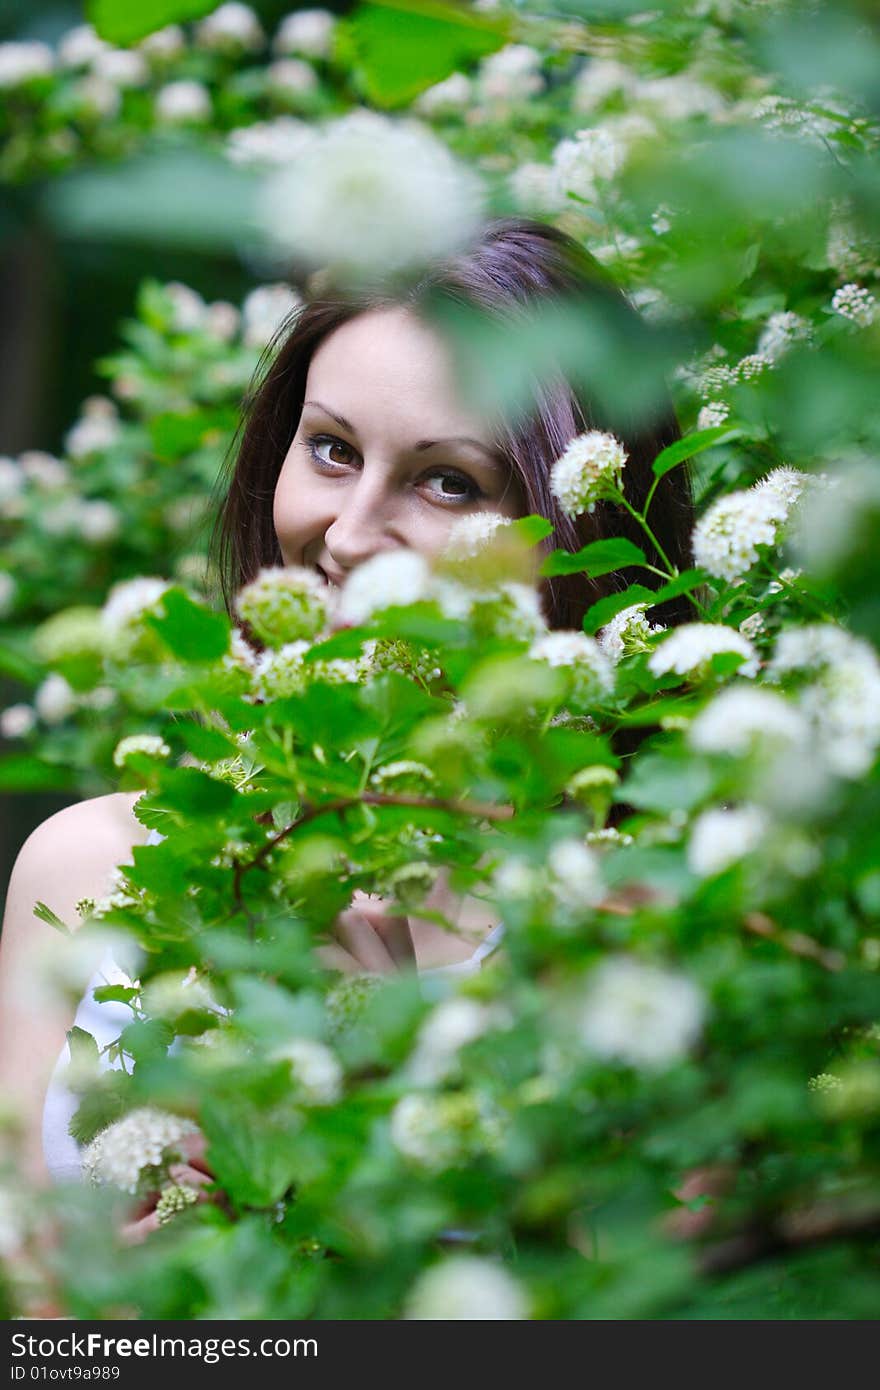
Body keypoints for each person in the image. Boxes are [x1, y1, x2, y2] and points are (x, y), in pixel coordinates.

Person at [0, 216, 693, 1197]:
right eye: (329, 450)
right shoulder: (86, 867)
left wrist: (374, 1083)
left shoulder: (640, 932)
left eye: (448, 482)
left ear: (583, 528)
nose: (351, 531)